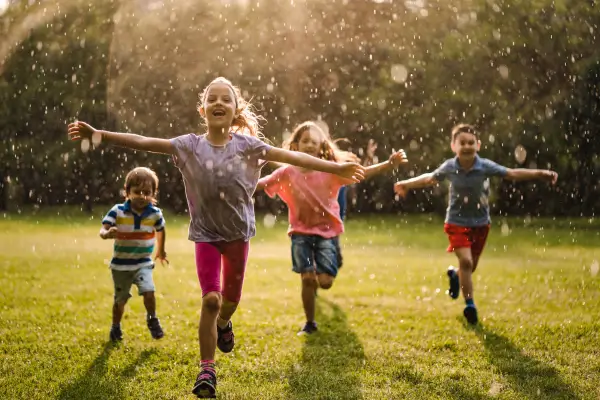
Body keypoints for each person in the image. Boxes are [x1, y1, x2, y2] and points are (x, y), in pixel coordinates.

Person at [67, 77, 365, 399]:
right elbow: (142, 141)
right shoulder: (189, 146)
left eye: (226, 99)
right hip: (206, 236)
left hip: (238, 237)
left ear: (235, 110)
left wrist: (333, 169)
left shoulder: (249, 147)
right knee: (211, 299)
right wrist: (99, 134)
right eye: (213, 98)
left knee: (230, 302)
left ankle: (224, 324)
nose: (219, 103)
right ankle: (206, 369)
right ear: (203, 108)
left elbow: (295, 158)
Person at [393, 123, 558, 325]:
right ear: (454, 146)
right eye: (462, 142)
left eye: (471, 142)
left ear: (478, 145)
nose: (467, 146)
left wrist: (540, 174)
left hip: (480, 224)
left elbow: (512, 173)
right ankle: (470, 305)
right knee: (467, 262)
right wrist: (406, 184)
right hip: (455, 222)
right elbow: (429, 179)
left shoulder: (484, 166)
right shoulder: (450, 167)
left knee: (470, 267)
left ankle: (454, 275)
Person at [256, 121, 407, 335]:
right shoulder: (287, 172)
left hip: (326, 234)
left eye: (314, 142)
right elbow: (261, 184)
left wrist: (387, 165)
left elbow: (361, 173)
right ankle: (310, 323)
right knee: (307, 278)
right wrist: (232, 184)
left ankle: (324, 270)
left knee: (324, 282)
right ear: (296, 145)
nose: (309, 145)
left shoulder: (330, 171)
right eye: (305, 140)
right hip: (300, 233)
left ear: (321, 147)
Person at [100, 166, 168, 342]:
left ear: (154, 193)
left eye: (147, 192)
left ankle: (152, 318)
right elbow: (103, 229)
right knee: (120, 300)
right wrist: (107, 234)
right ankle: (116, 326)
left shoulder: (154, 213)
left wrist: (161, 250)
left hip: (143, 263)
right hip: (120, 265)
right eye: (137, 192)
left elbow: (161, 230)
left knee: (149, 291)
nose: (142, 196)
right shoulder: (118, 211)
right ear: (127, 192)